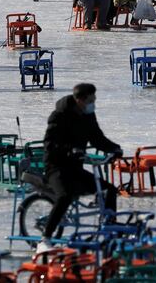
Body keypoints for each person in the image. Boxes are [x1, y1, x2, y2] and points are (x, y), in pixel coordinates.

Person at [36, 83, 122, 253]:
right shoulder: (59, 116)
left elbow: (97, 138)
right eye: (91, 100)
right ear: (80, 100)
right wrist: (69, 150)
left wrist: (114, 148)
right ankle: (45, 239)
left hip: (75, 167)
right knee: (65, 196)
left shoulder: (88, 116)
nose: (94, 103)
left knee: (109, 190)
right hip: (56, 167)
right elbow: (49, 145)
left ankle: (109, 231)